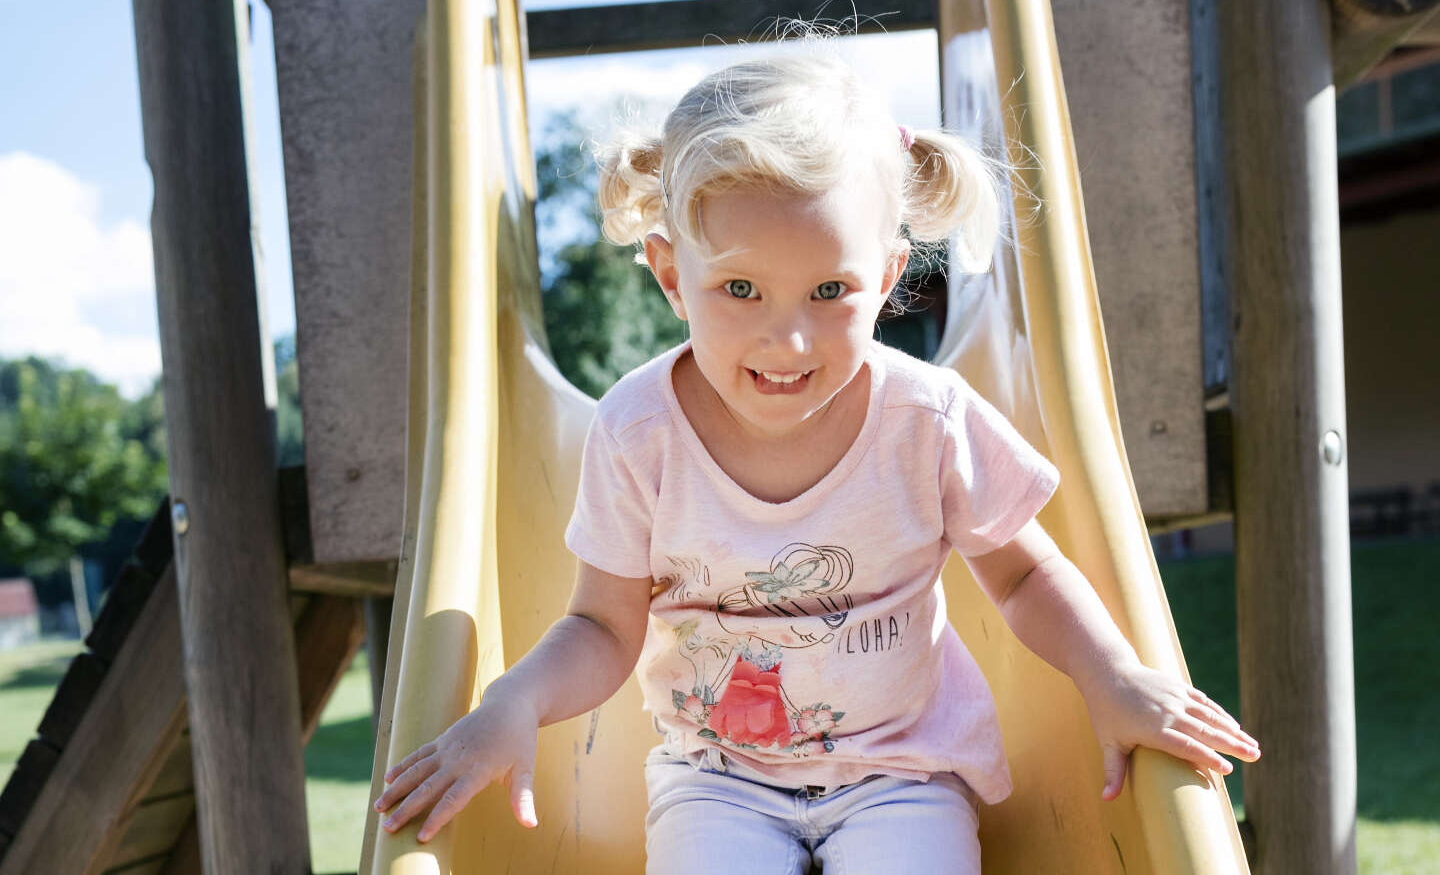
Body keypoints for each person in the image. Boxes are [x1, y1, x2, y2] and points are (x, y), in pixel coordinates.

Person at [373, 49, 1260, 872]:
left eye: (830, 291)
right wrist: (513, 703)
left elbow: (1025, 578)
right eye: (739, 289)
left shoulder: (926, 419)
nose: (786, 336)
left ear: (886, 275)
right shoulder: (638, 433)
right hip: (715, 781)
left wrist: (1114, 678)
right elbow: (603, 627)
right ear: (672, 274)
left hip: (904, 773)